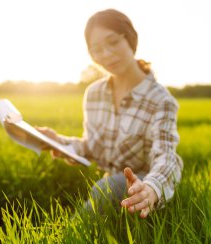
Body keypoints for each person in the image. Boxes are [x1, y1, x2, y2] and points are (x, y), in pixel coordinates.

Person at [37, 8, 183, 219]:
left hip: (142, 186)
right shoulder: (94, 94)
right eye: (96, 49)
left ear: (131, 39)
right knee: (106, 187)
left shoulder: (161, 100)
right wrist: (58, 142)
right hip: (111, 184)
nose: (106, 54)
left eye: (113, 42)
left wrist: (151, 188)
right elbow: (92, 148)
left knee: (105, 188)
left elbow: (166, 157)